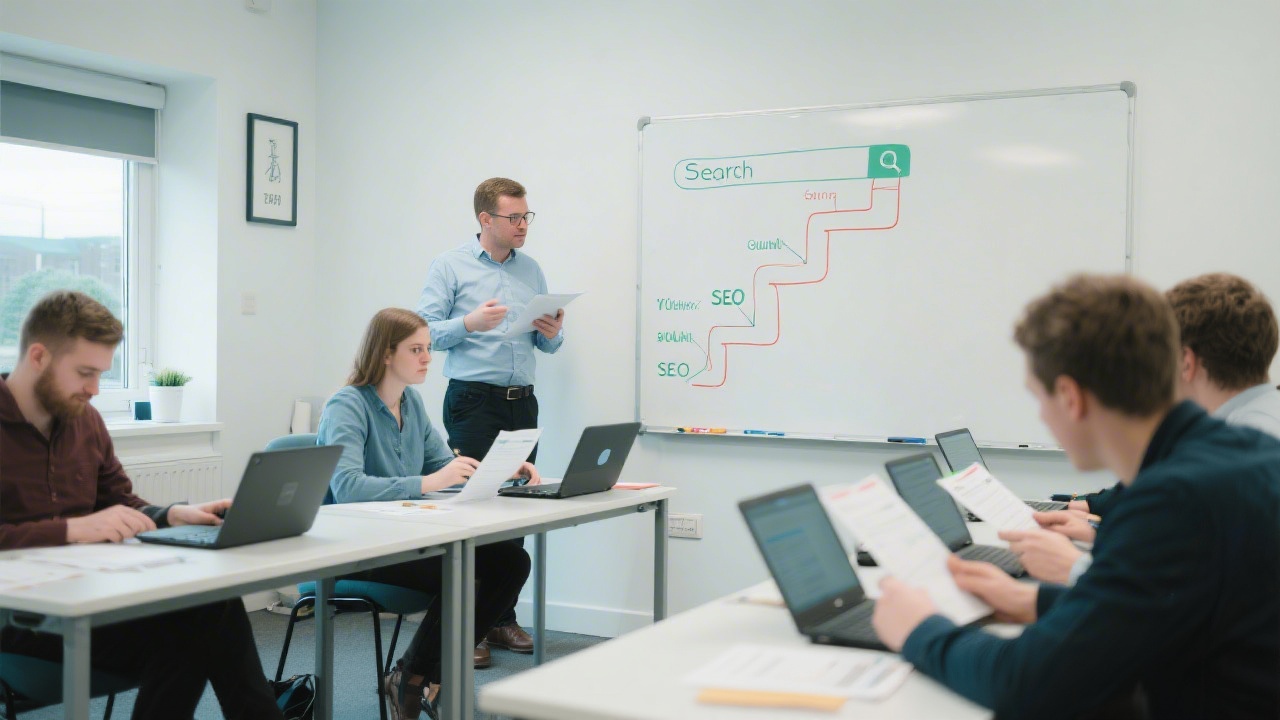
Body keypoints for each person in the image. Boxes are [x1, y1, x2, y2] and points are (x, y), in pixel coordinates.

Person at [871, 274, 1280, 719]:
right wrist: (1032, 601)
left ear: (1070, 397)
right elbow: (1148, 610)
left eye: (1038, 398)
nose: (1043, 417)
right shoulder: (1249, 455)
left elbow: (1029, 683)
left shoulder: (1171, 501)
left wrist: (920, 630)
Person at [0, 291, 283, 720]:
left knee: (211, 604)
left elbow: (120, 502)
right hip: (19, 620)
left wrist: (170, 514)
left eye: (101, 375)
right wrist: (71, 530)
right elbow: (84, 526)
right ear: (38, 356)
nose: (95, 390)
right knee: (197, 629)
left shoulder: (85, 421)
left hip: (89, 596)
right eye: (85, 373)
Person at [316, 307, 534, 720]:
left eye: (428, 348)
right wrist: (427, 483)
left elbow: (446, 467)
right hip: (356, 547)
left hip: (406, 538)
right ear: (385, 354)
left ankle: (412, 674)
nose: (427, 358)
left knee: (510, 561)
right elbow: (348, 488)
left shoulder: (411, 402)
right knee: (461, 570)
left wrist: (501, 469)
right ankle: (418, 678)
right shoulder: (347, 405)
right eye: (416, 349)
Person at [1009, 272, 1280, 584]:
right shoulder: (1251, 439)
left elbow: (1169, 586)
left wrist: (1076, 567)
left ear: (1184, 362)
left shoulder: (1229, 457)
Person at [416, 177, 564, 660]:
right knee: (476, 508)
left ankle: (501, 619)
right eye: (513, 217)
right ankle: (469, 628)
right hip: (474, 400)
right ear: (485, 219)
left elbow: (547, 344)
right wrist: (469, 323)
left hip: (523, 401)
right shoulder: (450, 265)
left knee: (516, 505)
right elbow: (423, 333)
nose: (523, 225)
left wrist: (552, 332)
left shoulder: (531, 269)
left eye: (526, 216)